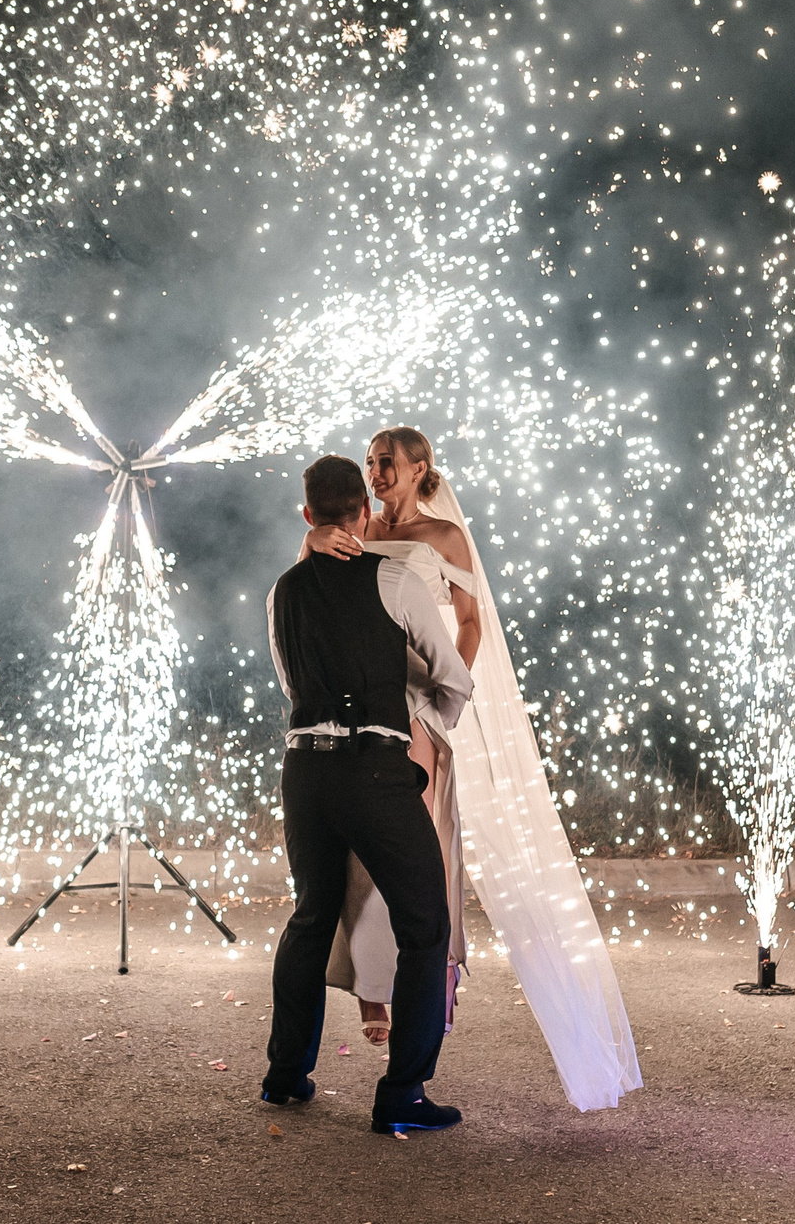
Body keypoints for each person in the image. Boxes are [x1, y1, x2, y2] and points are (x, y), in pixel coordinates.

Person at [306, 425, 644, 1114]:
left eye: (387, 462)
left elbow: (469, 621)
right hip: (361, 704)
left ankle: (428, 981)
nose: (376, 472)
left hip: (417, 705)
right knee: (359, 856)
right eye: (370, 462)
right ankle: (372, 986)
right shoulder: (355, 531)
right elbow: (320, 591)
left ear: (419, 467)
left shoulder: (444, 536)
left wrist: (442, 697)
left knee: (421, 848)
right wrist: (314, 540)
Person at [261, 452, 475, 1135]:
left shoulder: (282, 590)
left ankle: (285, 1076)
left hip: (304, 771)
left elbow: (290, 683)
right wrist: (418, 726)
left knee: (311, 916)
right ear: (362, 511)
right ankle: (402, 1093)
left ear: (309, 515)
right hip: (375, 770)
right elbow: (454, 678)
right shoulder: (394, 577)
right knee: (425, 924)